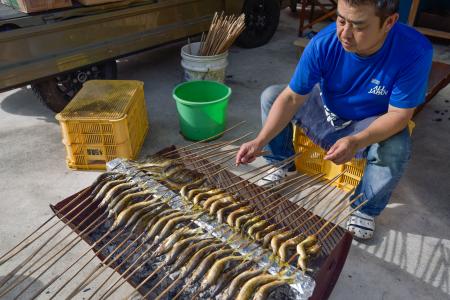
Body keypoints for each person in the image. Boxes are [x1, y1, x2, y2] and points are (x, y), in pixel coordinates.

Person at [235, 0, 433, 240]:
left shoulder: (413, 50)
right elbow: (291, 98)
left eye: (358, 26)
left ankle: (365, 207)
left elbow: (399, 115)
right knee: (273, 96)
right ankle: (281, 162)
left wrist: (357, 140)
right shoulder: (325, 43)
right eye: (341, 20)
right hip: (327, 106)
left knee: (397, 144)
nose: (345, 34)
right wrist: (259, 140)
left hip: (370, 119)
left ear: (389, 22)